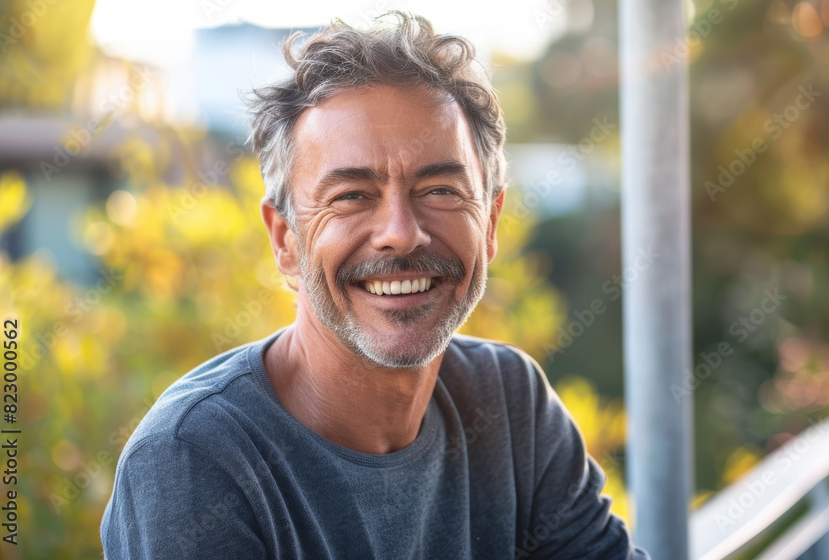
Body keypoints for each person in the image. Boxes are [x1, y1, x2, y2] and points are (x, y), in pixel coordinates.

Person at [100, 11, 649, 560]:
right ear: (286, 240)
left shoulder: (509, 404)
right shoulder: (194, 460)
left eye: (439, 190)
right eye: (351, 196)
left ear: (491, 223)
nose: (401, 235)